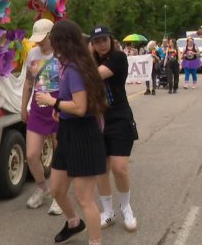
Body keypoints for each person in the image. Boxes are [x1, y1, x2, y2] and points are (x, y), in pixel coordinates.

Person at [35, 20, 107, 245]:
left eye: (53, 38)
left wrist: (53, 102)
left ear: (61, 41)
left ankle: (95, 241)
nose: (50, 43)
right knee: (57, 189)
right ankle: (74, 223)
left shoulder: (75, 68)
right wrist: (60, 110)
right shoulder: (66, 64)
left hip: (83, 136)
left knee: (85, 199)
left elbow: (80, 107)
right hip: (67, 131)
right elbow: (74, 105)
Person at [89, 25, 138, 233]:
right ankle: (107, 212)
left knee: (119, 167)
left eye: (104, 40)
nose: (101, 44)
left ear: (110, 39)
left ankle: (126, 207)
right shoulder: (92, 59)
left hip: (119, 118)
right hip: (97, 119)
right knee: (101, 168)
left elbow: (92, 76)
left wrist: (88, 57)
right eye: (96, 41)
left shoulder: (118, 58)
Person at [20, 19, 62, 215]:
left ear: (52, 35)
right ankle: (42, 188)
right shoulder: (33, 54)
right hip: (38, 108)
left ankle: (59, 195)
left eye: (43, 39)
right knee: (31, 155)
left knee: (60, 153)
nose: (39, 43)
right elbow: (29, 82)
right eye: (37, 39)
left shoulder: (63, 53)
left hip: (59, 108)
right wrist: (23, 107)